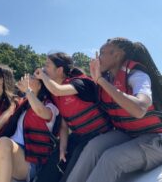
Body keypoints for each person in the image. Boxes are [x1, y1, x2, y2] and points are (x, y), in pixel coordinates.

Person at [66, 37, 162, 182]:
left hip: (160, 137)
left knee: (110, 159)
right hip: (131, 133)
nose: (97, 58)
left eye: (102, 53)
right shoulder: (107, 79)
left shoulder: (138, 75)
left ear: (117, 55)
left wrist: (101, 81)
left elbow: (140, 109)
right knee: (93, 147)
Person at [32, 52, 111, 182]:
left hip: (99, 135)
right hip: (78, 136)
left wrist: (43, 77)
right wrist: (62, 148)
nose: (43, 69)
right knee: (53, 163)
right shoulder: (54, 95)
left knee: (74, 163)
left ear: (60, 70)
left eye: (47, 65)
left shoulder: (80, 83)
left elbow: (57, 89)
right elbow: (64, 125)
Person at [0, 73, 60, 182]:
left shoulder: (50, 107)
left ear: (40, 86)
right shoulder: (23, 104)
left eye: (32, 78)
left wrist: (28, 91)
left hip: (30, 162)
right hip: (10, 153)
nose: (27, 77)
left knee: (4, 142)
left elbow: (41, 112)